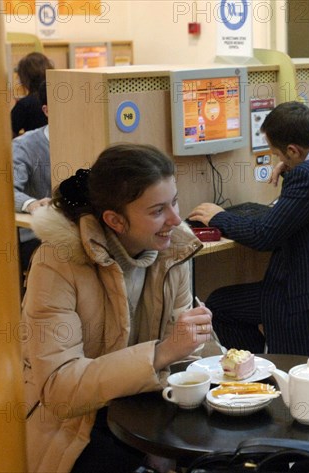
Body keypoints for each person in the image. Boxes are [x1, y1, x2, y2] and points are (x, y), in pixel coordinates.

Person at [22, 144, 213, 473]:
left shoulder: (173, 248)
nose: (176, 219)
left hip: (148, 406)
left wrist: (208, 351)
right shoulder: (57, 262)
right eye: (157, 211)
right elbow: (59, 388)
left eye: (175, 201)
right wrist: (162, 352)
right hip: (72, 425)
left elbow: (185, 358)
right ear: (114, 220)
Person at [188, 101, 309, 360]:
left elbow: (263, 236)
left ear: (293, 150)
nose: (278, 160)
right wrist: (297, 166)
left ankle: (260, 374)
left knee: (219, 305)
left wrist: (219, 217)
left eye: (279, 155)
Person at [13, 80, 51, 280]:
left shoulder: (91, 139)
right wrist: (32, 204)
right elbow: (8, 191)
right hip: (37, 235)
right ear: (46, 110)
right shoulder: (24, 145)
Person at [11, 52, 53, 137]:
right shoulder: (60, 98)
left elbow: (8, 135)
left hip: (33, 149)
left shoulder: (24, 105)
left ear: (24, 78)